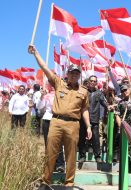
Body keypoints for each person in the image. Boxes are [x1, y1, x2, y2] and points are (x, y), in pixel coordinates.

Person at [28, 45, 92, 188]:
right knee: (50, 152)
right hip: (56, 122)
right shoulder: (59, 83)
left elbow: (85, 110)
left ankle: (69, 184)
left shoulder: (84, 91)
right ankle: (46, 182)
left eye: (77, 74)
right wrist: (36, 54)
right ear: (67, 74)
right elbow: (45, 68)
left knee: (70, 155)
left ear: (79, 75)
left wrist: (88, 126)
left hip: (73, 124)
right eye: (72, 73)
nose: (74, 75)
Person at [36, 85, 65, 173]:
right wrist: (41, 96)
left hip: (58, 119)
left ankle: (60, 164)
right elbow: (39, 107)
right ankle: (50, 164)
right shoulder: (46, 95)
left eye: (54, 84)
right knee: (47, 142)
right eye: (51, 84)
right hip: (47, 119)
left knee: (58, 142)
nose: (52, 86)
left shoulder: (63, 94)